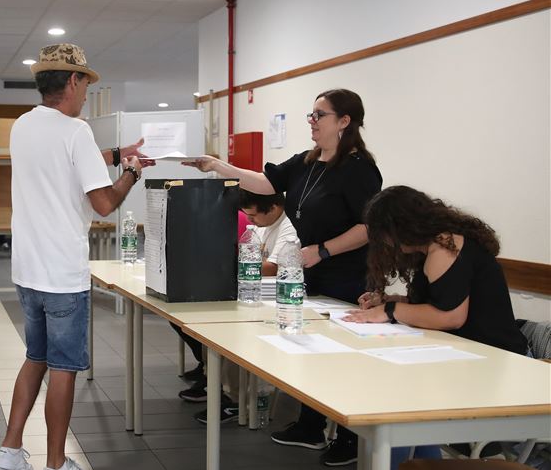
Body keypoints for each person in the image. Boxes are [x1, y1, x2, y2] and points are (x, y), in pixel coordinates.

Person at [184, 88, 382, 466]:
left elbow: (369, 227)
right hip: (311, 274)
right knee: (313, 351)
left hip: (348, 275)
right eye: (311, 115)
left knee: (343, 359)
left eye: (319, 115)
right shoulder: (308, 162)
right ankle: (311, 424)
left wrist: (323, 250)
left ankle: (349, 438)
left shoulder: (358, 169)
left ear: (344, 122)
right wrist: (219, 167)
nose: (312, 121)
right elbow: (265, 182)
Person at [0, 43, 150, 470]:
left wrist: (118, 154)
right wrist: (132, 174)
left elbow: (67, 161)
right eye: (84, 84)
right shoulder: (76, 131)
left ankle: (9, 451)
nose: (85, 94)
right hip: (63, 274)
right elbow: (102, 203)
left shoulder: (24, 127)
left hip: (28, 271)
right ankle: (57, 463)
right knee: (64, 368)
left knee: (35, 358)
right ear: (73, 81)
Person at [343, 185, 529, 468]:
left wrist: (390, 310)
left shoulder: (445, 246)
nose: (386, 244)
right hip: (467, 354)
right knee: (400, 394)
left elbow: (450, 316)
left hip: (493, 361)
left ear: (399, 227)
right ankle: (415, 460)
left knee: (397, 399)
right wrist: (393, 300)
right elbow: (440, 301)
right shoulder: (437, 244)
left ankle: (403, 461)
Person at [177, 190, 297, 406]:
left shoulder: (288, 226)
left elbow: (273, 267)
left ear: (274, 208)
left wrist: (229, 265)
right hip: (253, 293)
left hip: (277, 299)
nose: (249, 221)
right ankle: (212, 378)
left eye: (252, 216)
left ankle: (232, 397)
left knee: (233, 334)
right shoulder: (262, 225)